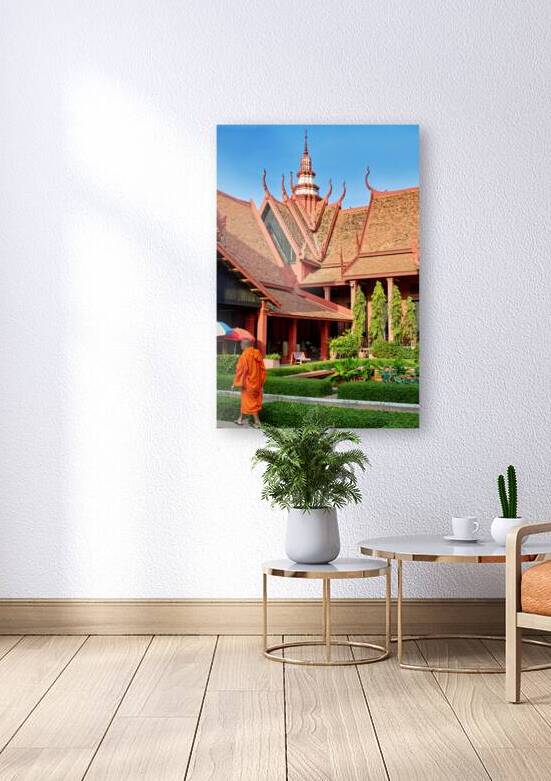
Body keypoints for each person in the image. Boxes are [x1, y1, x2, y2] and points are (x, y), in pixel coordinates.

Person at [231, 339, 266, 428]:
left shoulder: (244, 356)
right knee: (245, 401)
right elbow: (263, 370)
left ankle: (257, 422)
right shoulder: (257, 354)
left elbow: (240, 371)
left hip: (248, 384)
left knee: (251, 403)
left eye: (241, 344)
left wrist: (235, 383)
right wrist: (261, 383)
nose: (240, 346)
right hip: (256, 383)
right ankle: (240, 419)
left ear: (244, 344)